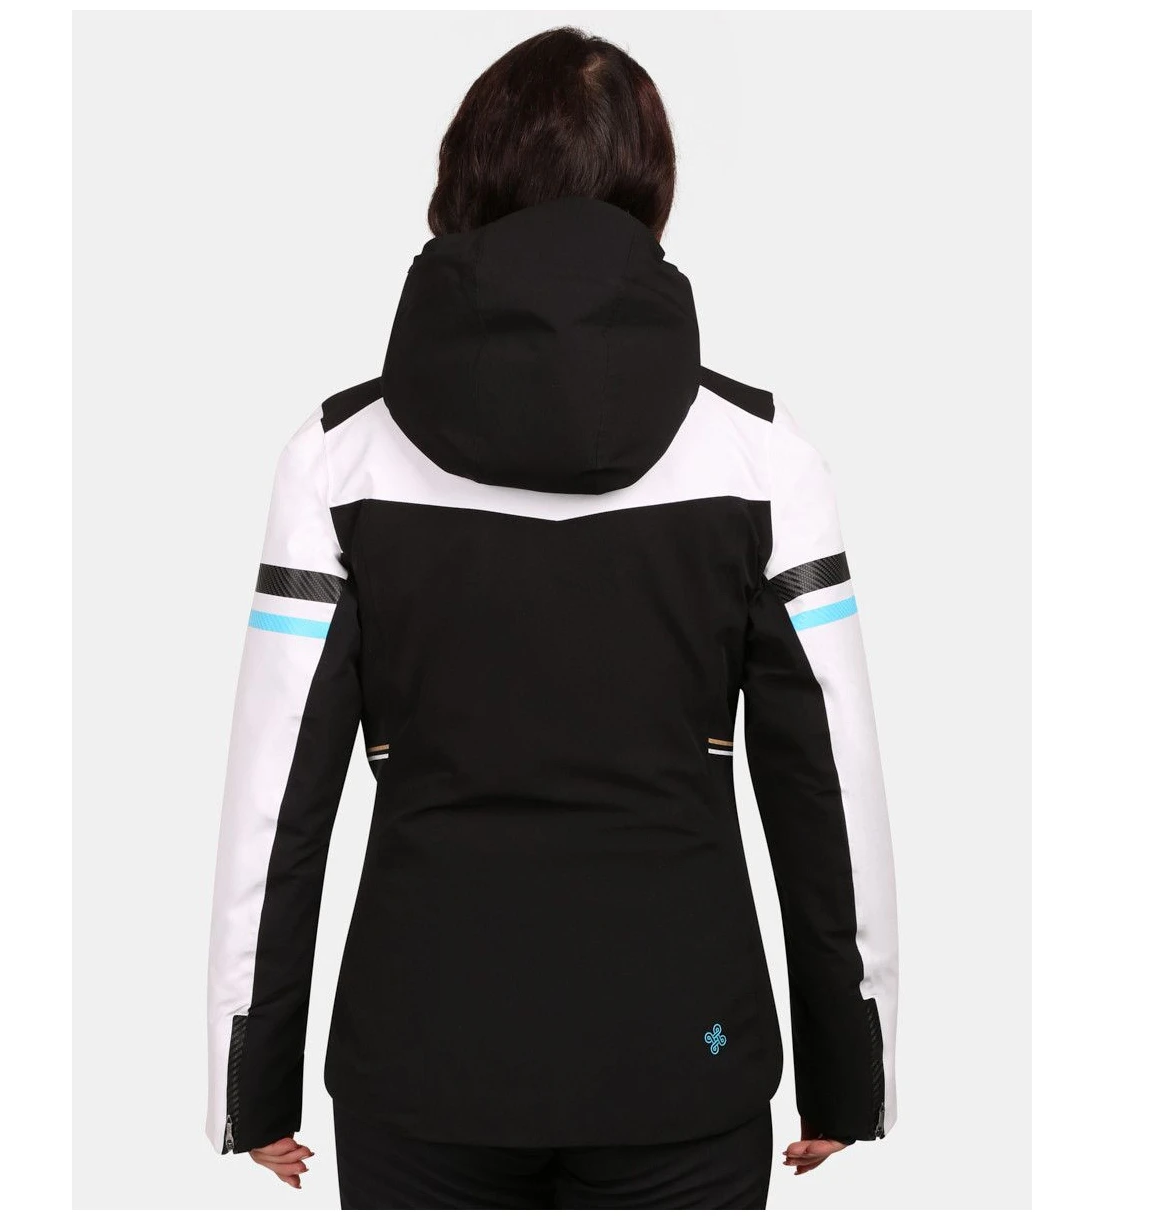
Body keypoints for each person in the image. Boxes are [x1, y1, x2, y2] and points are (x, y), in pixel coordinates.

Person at [206, 26, 898, 1210]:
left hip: (420, 1057)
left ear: (465, 176)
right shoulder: (761, 458)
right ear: (649, 185)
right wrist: (848, 1068)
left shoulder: (336, 459)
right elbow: (823, 780)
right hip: (686, 1052)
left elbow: (279, 798)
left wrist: (249, 1078)